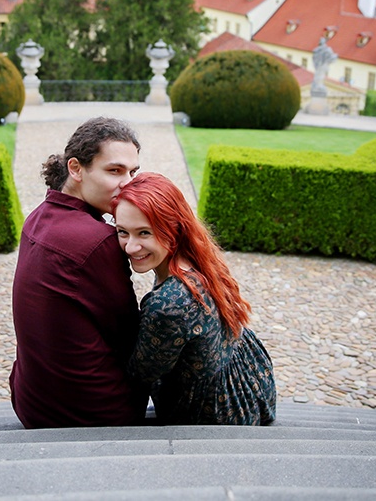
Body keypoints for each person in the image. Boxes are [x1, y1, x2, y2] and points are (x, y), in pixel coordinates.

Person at [9, 117, 149, 428]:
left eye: (133, 172)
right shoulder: (97, 241)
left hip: (31, 402)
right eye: (114, 171)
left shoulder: (37, 218)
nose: (128, 184)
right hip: (94, 413)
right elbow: (130, 339)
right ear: (75, 169)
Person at [113, 172, 276, 425]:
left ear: (174, 229)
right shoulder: (194, 257)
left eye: (144, 233)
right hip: (250, 385)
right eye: (123, 232)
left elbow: (140, 373)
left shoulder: (168, 305)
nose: (130, 247)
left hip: (216, 418)